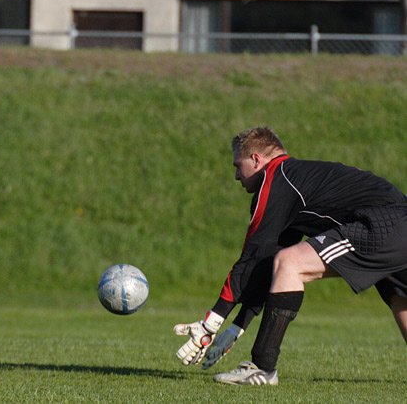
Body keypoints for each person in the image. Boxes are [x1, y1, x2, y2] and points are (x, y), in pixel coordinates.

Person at [174, 126, 407, 385]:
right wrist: (237, 325)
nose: (237, 177)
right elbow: (264, 265)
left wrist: (211, 322)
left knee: (290, 264)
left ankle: (263, 368)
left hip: (386, 225)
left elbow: (251, 256)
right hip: (397, 226)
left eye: (237, 166)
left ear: (256, 160)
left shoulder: (276, 178)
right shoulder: (296, 180)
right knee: (401, 300)